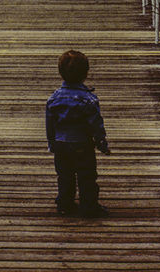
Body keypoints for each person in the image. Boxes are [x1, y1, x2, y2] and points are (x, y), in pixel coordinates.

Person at [45, 50, 110, 217]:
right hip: (82, 143)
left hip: (61, 143)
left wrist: (52, 143)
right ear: (86, 73)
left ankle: (65, 204)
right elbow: (96, 123)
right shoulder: (89, 99)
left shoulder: (53, 99)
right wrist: (101, 141)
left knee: (64, 175)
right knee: (86, 175)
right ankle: (89, 205)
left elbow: (50, 124)